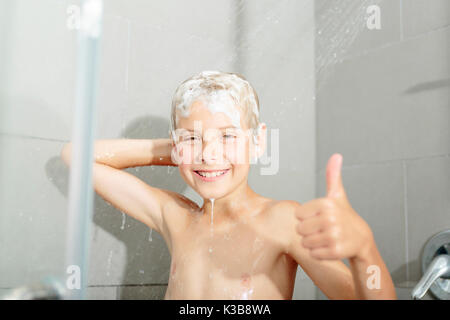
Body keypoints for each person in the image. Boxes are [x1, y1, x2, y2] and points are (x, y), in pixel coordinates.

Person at [61, 70, 397, 299]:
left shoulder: (282, 221)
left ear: (258, 141)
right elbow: (74, 156)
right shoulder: (177, 217)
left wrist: (365, 252)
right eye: (193, 138)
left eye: (227, 136)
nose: (209, 155)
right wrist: (178, 149)